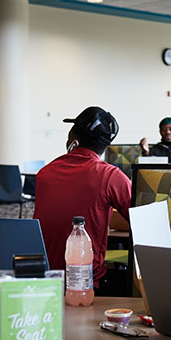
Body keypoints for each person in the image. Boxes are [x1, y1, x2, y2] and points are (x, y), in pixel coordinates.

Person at [34, 106, 131, 291]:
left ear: (74, 140)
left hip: (45, 280)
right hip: (86, 284)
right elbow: (144, 222)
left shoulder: (44, 174)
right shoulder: (111, 176)